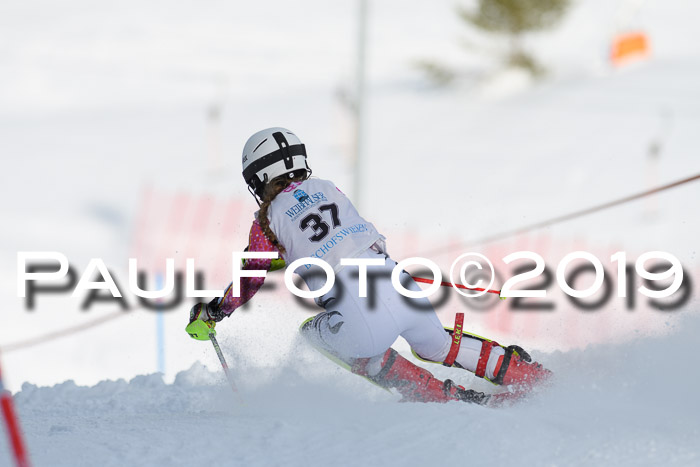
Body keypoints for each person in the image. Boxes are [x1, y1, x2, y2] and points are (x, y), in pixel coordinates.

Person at [186, 127, 551, 405]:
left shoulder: (267, 219)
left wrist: (215, 311)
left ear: (260, 177)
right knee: (437, 346)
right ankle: (527, 375)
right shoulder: (327, 187)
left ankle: (442, 398)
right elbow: (334, 235)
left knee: (316, 333)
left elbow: (252, 275)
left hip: (356, 309)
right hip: (398, 281)